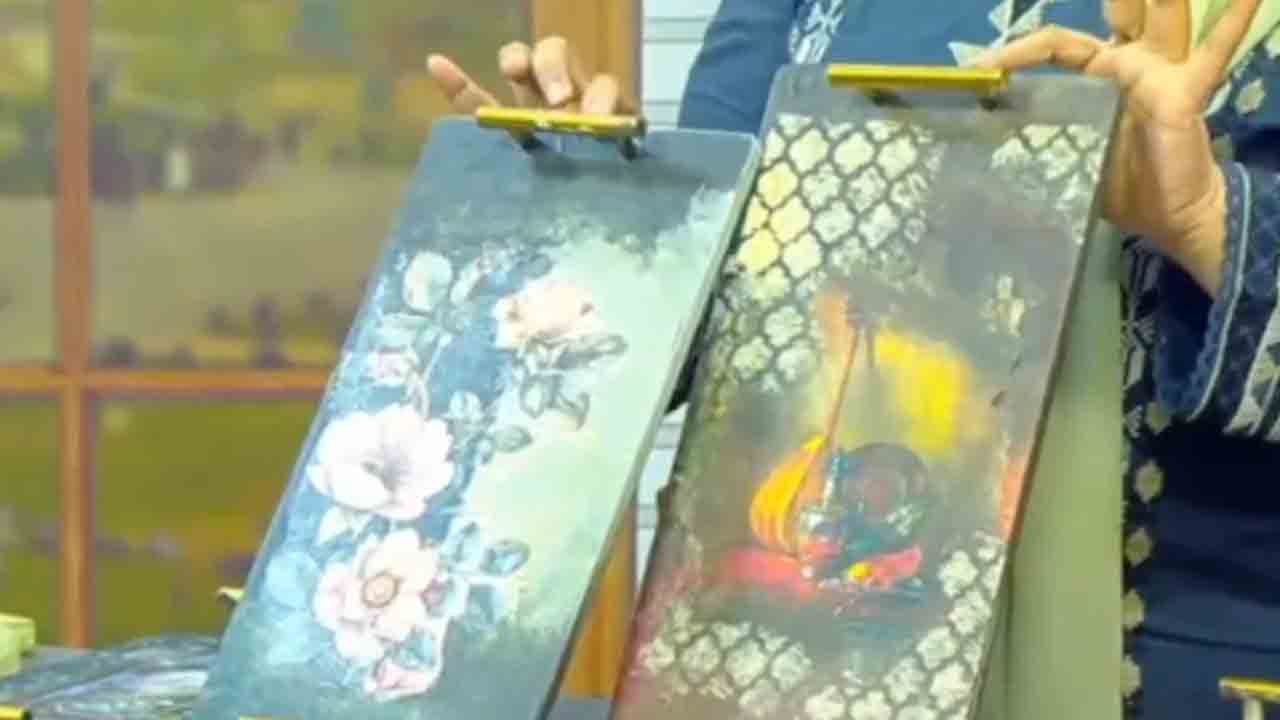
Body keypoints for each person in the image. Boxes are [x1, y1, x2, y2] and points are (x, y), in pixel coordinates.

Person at [426, 0, 1280, 717]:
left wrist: (1205, 222)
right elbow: (725, 331)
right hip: (801, 665)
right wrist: (597, 226)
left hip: (1198, 672)